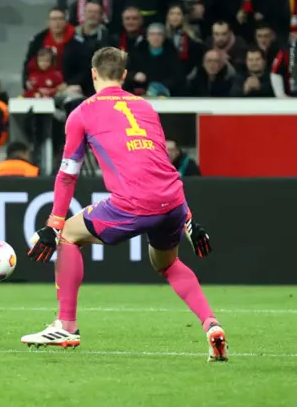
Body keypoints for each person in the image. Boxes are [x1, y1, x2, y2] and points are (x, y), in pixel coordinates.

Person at [22, 47, 227, 363]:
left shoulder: (83, 113)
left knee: (67, 236)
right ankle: (211, 324)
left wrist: (54, 223)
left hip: (133, 202)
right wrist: (189, 221)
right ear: (124, 76)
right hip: (172, 201)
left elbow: (66, 176)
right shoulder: (145, 107)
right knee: (167, 264)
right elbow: (164, 168)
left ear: (93, 74)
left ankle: (66, 325)